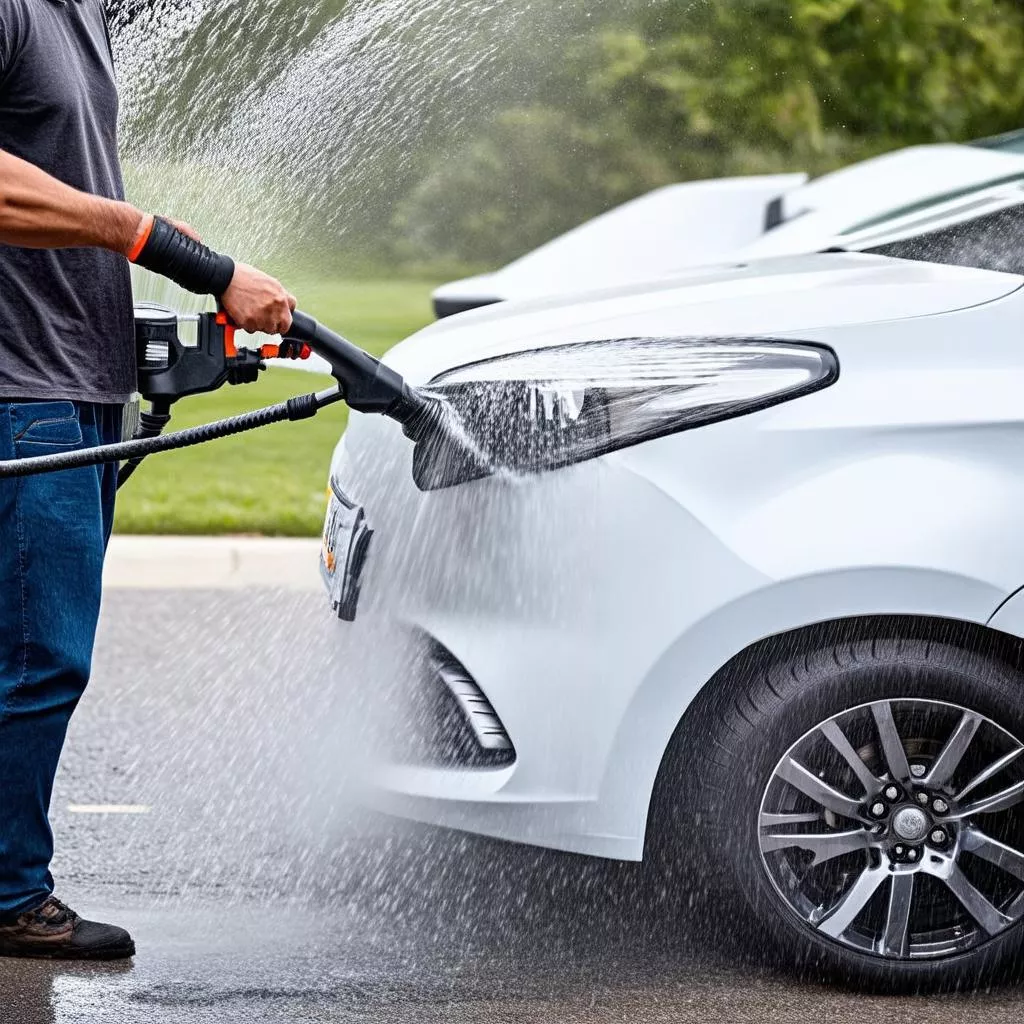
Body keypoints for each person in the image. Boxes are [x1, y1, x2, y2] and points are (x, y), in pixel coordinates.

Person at [0, 0, 295, 959]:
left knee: (29, 655)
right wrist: (158, 240)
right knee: (37, 658)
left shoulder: (79, 12)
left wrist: (177, 268)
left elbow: (64, 196)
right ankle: (8, 894)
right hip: (22, 391)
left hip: (78, 385)